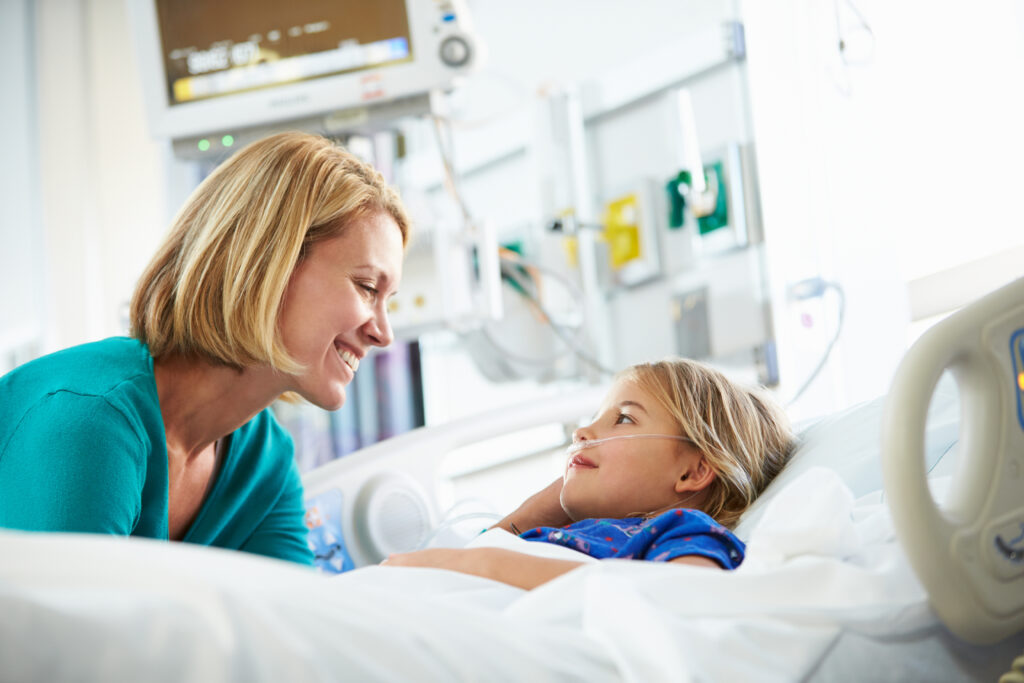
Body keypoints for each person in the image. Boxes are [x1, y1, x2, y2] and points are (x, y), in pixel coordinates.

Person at [0, 132, 410, 565]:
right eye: (367, 288)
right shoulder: (90, 421)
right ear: (268, 262)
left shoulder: (263, 462)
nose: (384, 334)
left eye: (389, 301)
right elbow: (77, 631)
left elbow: (294, 620)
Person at [384, 359, 794, 588]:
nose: (583, 431)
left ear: (693, 470)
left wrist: (488, 566)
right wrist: (543, 508)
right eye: (595, 417)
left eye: (624, 419)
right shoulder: (580, 533)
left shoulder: (683, 532)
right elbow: (478, 555)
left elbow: (682, 600)